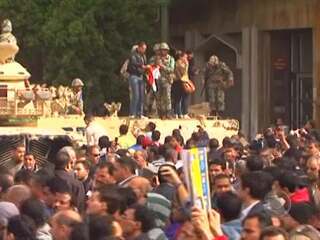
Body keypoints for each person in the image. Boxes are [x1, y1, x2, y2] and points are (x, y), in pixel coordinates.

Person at [53, 146, 85, 212]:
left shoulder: (45, 178)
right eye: (73, 159)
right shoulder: (76, 184)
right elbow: (79, 207)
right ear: (69, 164)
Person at [127, 41, 148, 118]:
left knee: (142, 96)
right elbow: (133, 63)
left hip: (141, 76)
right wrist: (142, 66)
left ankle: (140, 113)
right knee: (135, 95)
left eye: (145, 49)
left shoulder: (144, 56)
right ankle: (132, 113)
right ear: (139, 47)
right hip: (134, 76)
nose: (144, 50)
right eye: (142, 48)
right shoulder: (133, 55)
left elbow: (145, 65)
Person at [157, 42, 175, 119]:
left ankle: (168, 113)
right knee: (159, 98)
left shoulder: (171, 59)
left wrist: (162, 66)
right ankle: (161, 113)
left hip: (167, 80)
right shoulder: (157, 58)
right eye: (161, 50)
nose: (162, 51)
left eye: (164, 50)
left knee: (167, 97)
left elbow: (171, 69)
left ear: (167, 51)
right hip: (159, 80)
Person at [172, 51, 191, 119]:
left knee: (182, 98)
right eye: (185, 57)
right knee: (179, 98)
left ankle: (180, 113)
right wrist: (186, 65)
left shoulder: (180, 62)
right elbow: (183, 72)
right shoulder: (179, 63)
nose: (186, 58)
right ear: (181, 57)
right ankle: (181, 113)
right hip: (180, 81)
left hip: (183, 81)